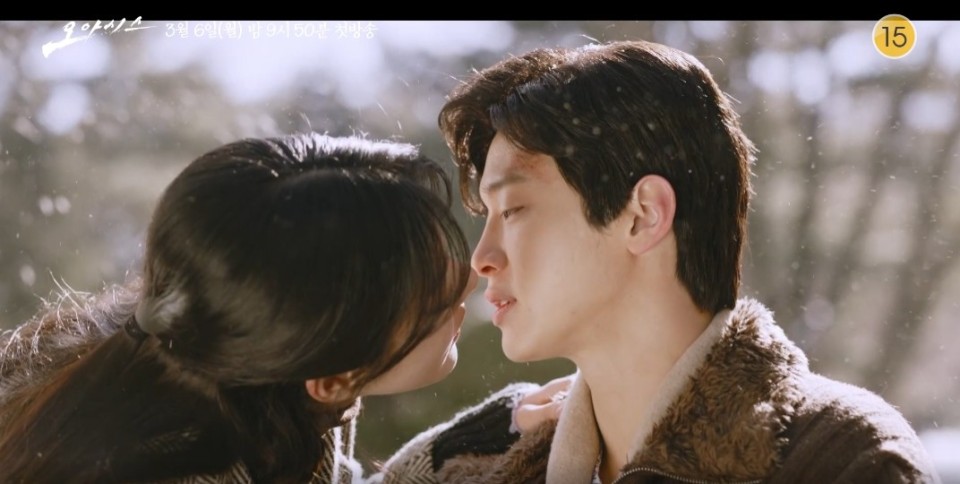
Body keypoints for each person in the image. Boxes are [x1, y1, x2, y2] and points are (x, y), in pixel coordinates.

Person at [385, 40, 942, 483]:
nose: (481, 259)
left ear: (643, 215)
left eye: (513, 209)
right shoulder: (486, 465)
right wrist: (471, 438)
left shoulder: (839, 460)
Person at [0, 132, 562, 483]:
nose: (470, 278)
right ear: (334, 379)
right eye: (431, 296)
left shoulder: (256, 383)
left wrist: (467, 442)